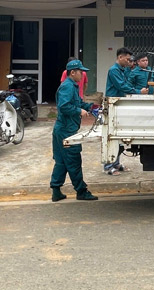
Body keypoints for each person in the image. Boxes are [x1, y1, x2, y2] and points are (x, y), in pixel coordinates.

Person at [50, 59, 98, 202]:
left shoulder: (73, 86)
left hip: (62, 129)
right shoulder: (68, 87)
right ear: (73, 72)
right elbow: (64, 106)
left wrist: (91, 107)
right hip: (66, 130)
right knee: (73, 160)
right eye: (80, 72)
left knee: (61, 162)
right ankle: (81, 191)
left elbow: (78, 103)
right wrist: (79, 111)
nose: (82, 75)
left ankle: (56, 191)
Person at [104, 47, 147, 175]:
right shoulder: (114, 70)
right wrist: (138, 92)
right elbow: (121, 86)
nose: (129, 61)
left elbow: (127, 83)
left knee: (118, 137)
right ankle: (108, 166)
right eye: (127, 59)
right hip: (113, 105)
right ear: (120, 57)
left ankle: (116, 163)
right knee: (111, 136)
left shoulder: (122, 70)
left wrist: (130, 67)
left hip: (119, 104)